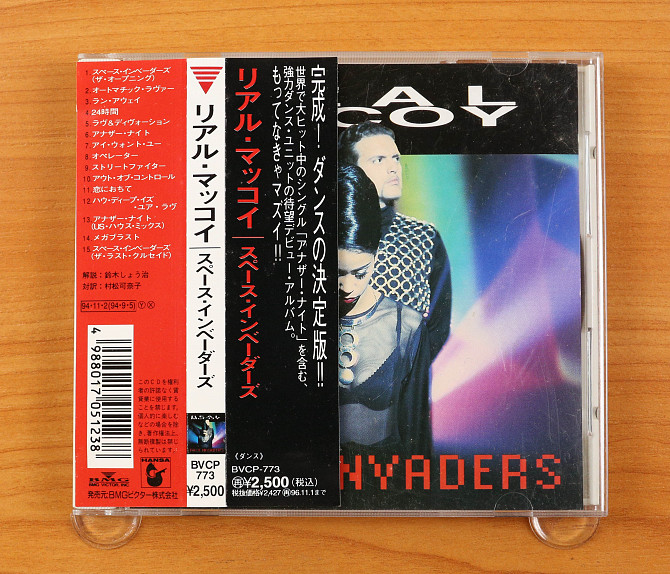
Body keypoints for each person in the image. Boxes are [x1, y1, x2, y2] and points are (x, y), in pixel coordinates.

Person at [337, 164, 432, 485]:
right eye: (336, 273)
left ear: (377, 254)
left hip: (385, 489)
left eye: (360, 273)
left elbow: (418, 441)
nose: (347, 287)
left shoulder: (407, 326)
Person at [338, 121, 452, 361]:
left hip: (404, 379)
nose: (393, 169)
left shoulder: (425, 237)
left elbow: (438, 326)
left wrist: (401, 371)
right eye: (378, 160)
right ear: (351, 169)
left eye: (396, 159)